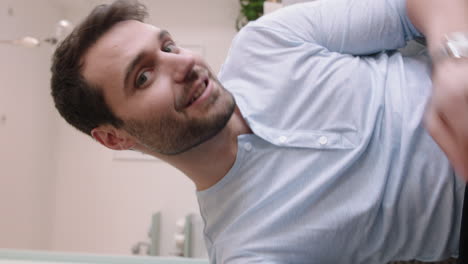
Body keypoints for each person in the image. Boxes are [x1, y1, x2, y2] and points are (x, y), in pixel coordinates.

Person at [50, 0, 468, 262]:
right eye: (143, 77)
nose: (183, 63)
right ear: (115, 137)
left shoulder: (266, 42)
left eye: (169, 47)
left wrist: (455, 62)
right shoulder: (246, 249)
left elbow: (417, 7)